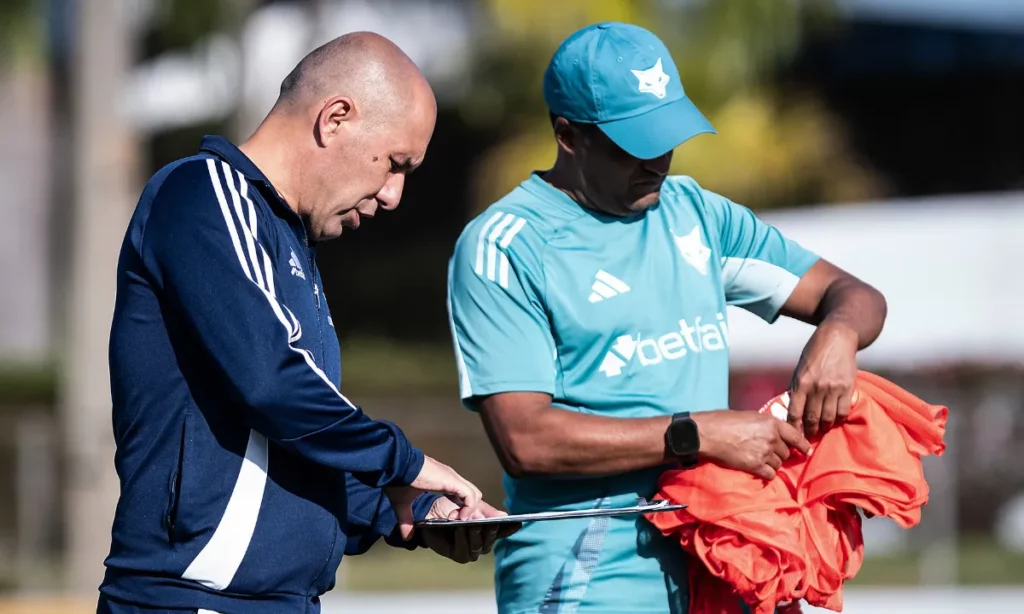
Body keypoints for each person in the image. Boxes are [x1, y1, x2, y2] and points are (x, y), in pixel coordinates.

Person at [445, 22, 887, 614]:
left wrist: (837, 335)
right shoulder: (506, 245)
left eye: (666, 136)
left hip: (723, 561)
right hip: (585, 581)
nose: (656, 160)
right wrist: (699, 434)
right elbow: (526, 439)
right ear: (567, 135)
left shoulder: (697, 214)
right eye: (633, 143)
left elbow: (854, 295)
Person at [100, 32, 515, 614]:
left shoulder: (291, 245)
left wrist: (414, 511)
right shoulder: (202, 193)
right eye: (396, 163)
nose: (395, 194)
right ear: (336, 117)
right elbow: (272, 384)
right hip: (190, 602)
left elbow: (282, 446)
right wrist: (407, 463)